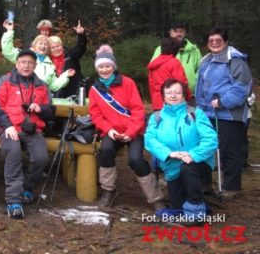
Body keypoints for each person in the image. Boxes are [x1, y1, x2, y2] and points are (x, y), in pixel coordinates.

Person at [89, 45, 164, 211]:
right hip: (111, 131)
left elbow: (138, 110)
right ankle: (108, 191)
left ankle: (155, 198)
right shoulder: (95, 90)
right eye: (101, 66)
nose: (104, 69)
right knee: (106, 151)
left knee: (136, 160)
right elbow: (96, 115)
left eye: (107, 66)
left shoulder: (128, 83)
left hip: (133, 130)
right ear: (97, 68)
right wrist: (109, 130)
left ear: (114, 66)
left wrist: (130, 133)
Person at [0, 48, 54, 219]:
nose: (26, 66)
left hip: (32, 129)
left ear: (35, 65)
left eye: (30, 63)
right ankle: (14, 201)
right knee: (14, 153)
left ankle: (27, 187)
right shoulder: (5, 81)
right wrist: (7, 125)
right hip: (10, 128)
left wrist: (41, 108)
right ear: (17, 64)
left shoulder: (41, 85)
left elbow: (51, 110)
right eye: (22, 62)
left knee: (41, 158)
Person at [145, 79, 217, 221]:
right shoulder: (156, 117)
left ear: (184, 95)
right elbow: (150, 140)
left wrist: (193, 155)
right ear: (164, 96)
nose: (173, 95)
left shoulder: (196, 114)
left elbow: (211, 139)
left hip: (198, 163)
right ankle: (194, 201)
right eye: (169, 93)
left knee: (187, 168)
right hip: (172, 165)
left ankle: (196, 211)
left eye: (177, 92)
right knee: (177, 205)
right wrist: (169, 153)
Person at [195, 28, 253, 198]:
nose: (214, 43)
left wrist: (223, 101)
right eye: (211, 40)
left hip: (228, 114)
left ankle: (231, 186)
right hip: (207, 112)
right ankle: (204, 183)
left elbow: (243, 87)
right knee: (204, 147)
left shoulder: (235, 61)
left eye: (218, 40)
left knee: (229, 150)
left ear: (226, 41)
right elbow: (200, 86)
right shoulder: (206, 61)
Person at [1, 21, 75, 94]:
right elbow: (8, 51)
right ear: (34, 46)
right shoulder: (25, 56)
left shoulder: (50, 65)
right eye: (40, 43)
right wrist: (9, 31)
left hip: (41, 99)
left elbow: (53, 86)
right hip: (22, 96)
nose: (43, 46)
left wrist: (65, 75)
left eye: (46, 45)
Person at [150, 21, 202, 94]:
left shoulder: (194, 50)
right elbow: (153, 70)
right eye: (175, 31)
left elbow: (200, 70)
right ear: (171, 33)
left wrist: (195, 84)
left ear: (185, 32)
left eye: (181, 31)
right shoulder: (160, 49)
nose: (178, 34)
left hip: (191, 94)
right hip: (167, 95)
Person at [147, 37, 190, 111]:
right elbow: (181, 83)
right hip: (173, 102)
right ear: (176, 50)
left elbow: (151, 86)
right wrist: (188, 96)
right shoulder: (174, 62)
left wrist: (154, 101)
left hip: (157, 103)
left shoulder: (153, 64)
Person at [48, 20, 88, 98]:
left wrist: (81, 35)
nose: (56, 49)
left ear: (61, 46)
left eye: (58, 46)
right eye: (53, 47)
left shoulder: (70, 55)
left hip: (74, 93)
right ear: (49, 50)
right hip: (57, 95)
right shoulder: (47, 61)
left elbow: (81, 48)